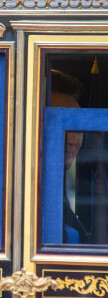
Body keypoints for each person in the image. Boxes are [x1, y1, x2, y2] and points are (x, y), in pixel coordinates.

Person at [51, 69, 89, 243]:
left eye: (78, 128)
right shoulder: (1, 182)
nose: (73, 139)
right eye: (61, 127)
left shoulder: (51, 178)